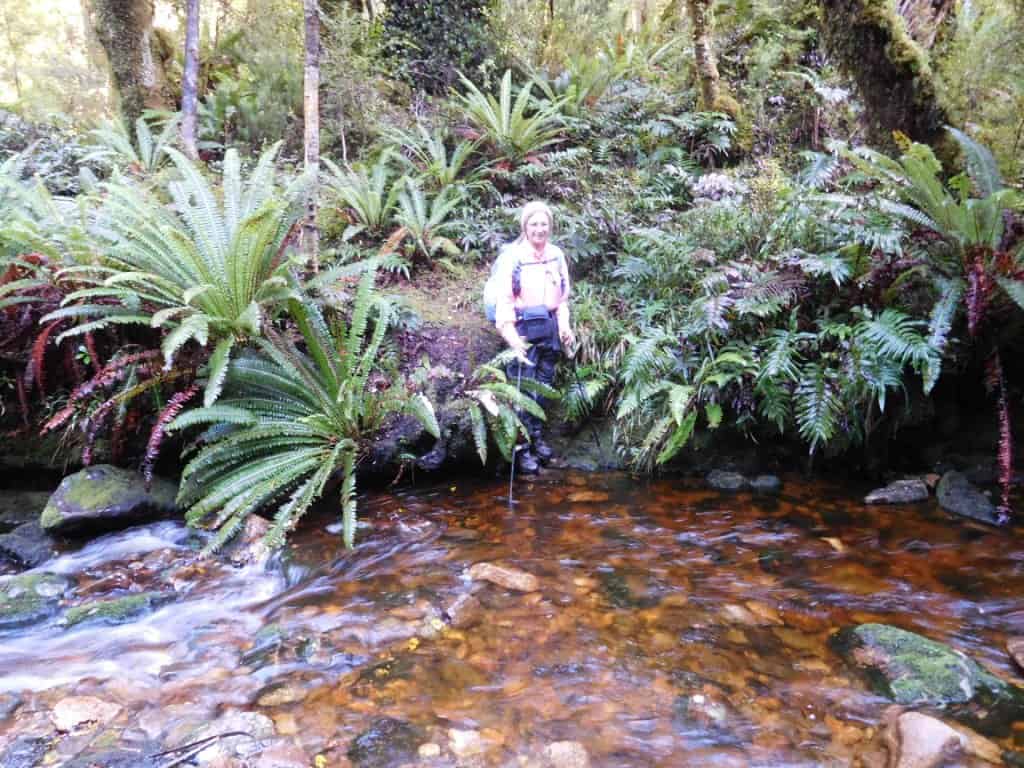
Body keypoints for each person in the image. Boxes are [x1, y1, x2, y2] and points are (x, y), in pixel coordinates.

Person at [492, 200, 575, 474]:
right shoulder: (513, 258)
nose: (539, 229)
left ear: (550, 227)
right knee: (523, 392)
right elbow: (503, 302)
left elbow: (562, 299)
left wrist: (565, 327)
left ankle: (537, 438)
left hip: (549, 329)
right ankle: (521, 449)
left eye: (544, 224)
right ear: (524, 227)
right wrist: (512, 338)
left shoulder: (556, 255)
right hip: (523, 330)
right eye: (534, 224)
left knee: (543, 388)